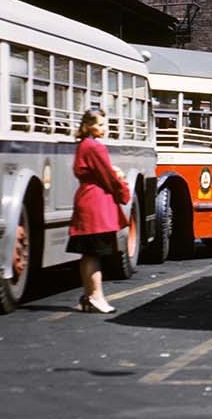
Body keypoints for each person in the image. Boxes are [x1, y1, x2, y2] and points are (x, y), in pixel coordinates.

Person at [68, 108, 131, 314]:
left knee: (88, 254)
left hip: (86, 200)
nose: (105, 128)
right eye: (100, 124)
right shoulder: (96, 147)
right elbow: (108, 177)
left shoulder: (83, 145)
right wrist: (123, 189)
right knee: (95, 254)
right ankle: (96, 296)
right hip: (98, 206)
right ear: (88, 126)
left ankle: (89, 296)